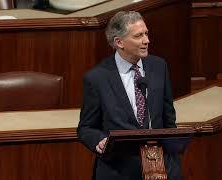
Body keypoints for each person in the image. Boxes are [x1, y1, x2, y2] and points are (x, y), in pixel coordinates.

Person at [77, 11, 182, 180]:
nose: (146, 40)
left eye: (146, 33)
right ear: (119, 42)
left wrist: (173, 162)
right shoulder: (97, 78)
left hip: (160, 168)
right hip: (118, 170)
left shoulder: (158, 66)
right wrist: (101, 141)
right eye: (138, 36)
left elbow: (168, 118)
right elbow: (86, 128)